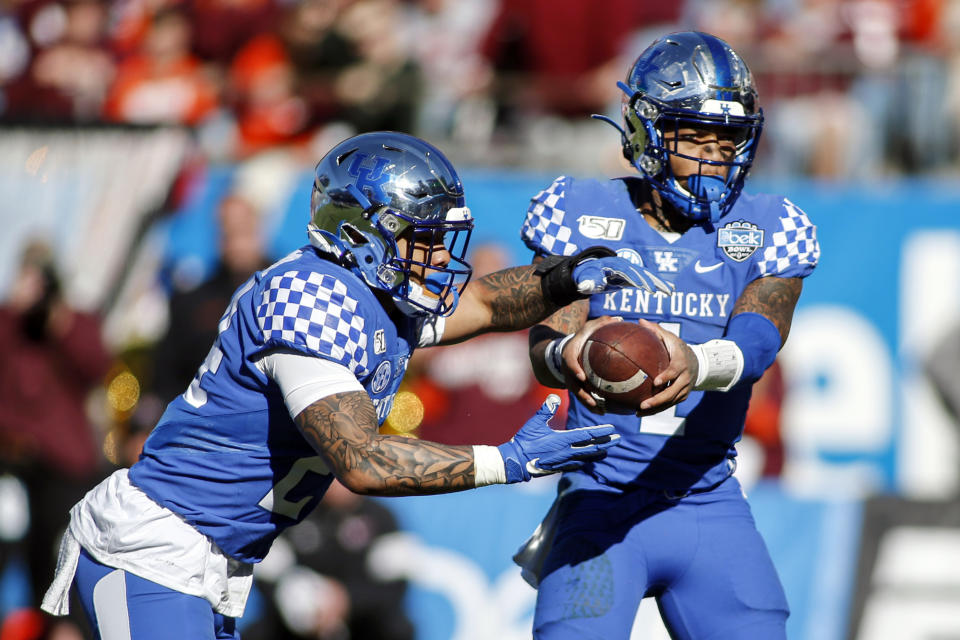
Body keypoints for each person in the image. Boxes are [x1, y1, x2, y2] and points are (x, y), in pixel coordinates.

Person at [40, 131, 671, 640]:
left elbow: (481, 302)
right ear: (362, 233)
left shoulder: (373, 295)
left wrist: (566, 279)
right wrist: (506, 460)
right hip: (157, 548)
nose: (437, 258)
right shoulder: (310, 298)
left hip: (211, 556)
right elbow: (363, 461)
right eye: (421, 240)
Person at [517, 32, 820, 639]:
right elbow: (546, 345)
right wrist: (569, 352)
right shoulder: (580, 209)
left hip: (706, 500)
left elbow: (760, 336)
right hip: (599, 498)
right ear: (647, 134)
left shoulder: (768, 224)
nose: (716, 156)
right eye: (697, 137)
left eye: (728, 140)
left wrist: (696, 362)